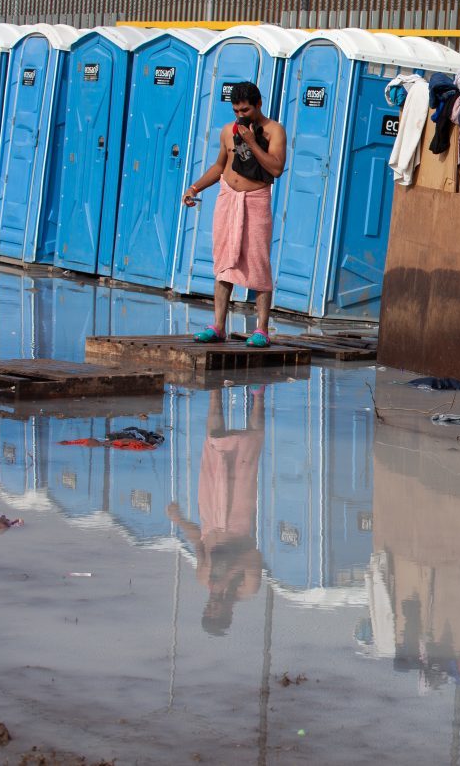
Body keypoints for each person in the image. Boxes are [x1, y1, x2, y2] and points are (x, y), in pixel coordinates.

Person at [182, 81, 288, 348]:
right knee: (224, 261)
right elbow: (220, 166)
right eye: (236, 110)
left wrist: (252, 142)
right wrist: (194, 187)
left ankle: (261, 329)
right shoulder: (227, 131)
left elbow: (276, 169)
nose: (240, 115)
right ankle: (218, 326)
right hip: (228, 198)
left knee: (258, 260)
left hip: (255, 200)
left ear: (258, 104)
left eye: (245, 110)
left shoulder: (275, 130)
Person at [166, 387, 265, 636]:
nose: (212, 606)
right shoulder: (247, 588)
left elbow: (198, 542)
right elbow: (254, 557)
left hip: (210, 514)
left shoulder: (203, 578)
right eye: (216, 612)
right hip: (238, 518)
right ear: (227, 613)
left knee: (213, 446)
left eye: (208, 610)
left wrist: (178, 519)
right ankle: (258, 396)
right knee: (250, 451)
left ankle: (215, 392)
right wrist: (228, 576)